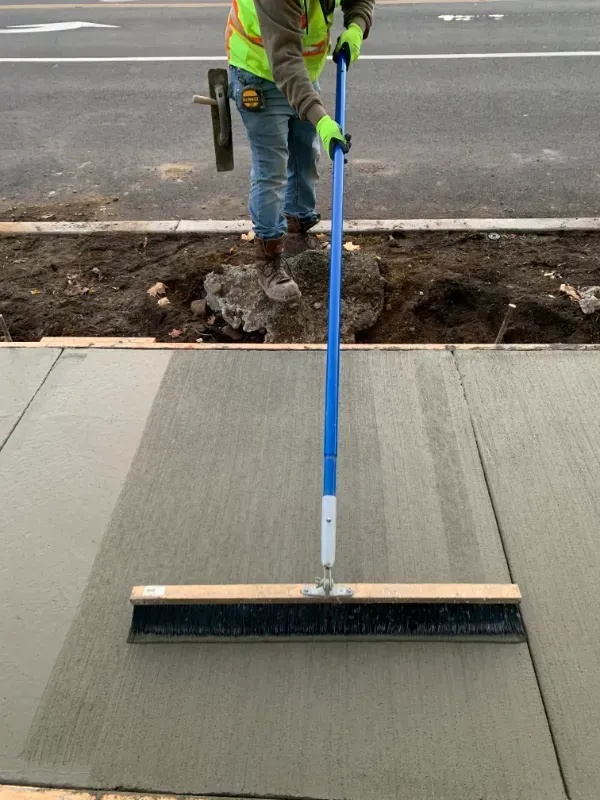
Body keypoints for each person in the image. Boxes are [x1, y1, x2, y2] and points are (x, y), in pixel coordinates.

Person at [226, 0, 374, 301]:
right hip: (259, 72)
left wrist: (357, 25)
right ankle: (268, 260)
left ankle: (297, 227)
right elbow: (284, 61)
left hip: (301, 69)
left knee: (305, 154)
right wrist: (321, 119)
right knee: (272, 172)